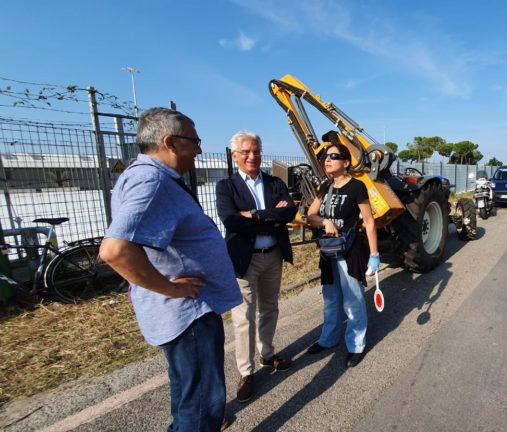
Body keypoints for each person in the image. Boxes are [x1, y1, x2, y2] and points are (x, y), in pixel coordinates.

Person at [99, 108, 242, 431]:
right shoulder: (150, 182)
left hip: (185, 311)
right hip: (186, 311)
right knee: (203, 403)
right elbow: (115, 250)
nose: (200, 149)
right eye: (194, 141)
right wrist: (171, 288)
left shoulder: (148, 177)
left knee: (189, 393)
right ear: (170, 142)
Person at [215, 131, 297, 403]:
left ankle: (268, 353)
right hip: (244, 259)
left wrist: (255, 215)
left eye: (257, 151)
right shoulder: (226, 186)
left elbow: (290, 212)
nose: (252, 156)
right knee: (243, 317)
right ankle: (246, 371)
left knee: (270, 307)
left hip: (273, 255)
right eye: (246, 152)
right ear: (234, 155)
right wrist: (271, 216)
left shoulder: (274, 182)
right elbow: (230, 220)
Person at [305, 132, 379, 367]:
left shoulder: (356, 187)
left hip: (349, 252)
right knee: (330, 298)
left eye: (333, 156)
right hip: (328, 252)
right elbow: (310, 216)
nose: (327, 160)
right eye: (326, 157)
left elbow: (369, 221)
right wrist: (324, 222)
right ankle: (328, 339)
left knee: (353, 299)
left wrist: (375, 255)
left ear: (346, 162)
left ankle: (356, 344)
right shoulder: (325, 186)